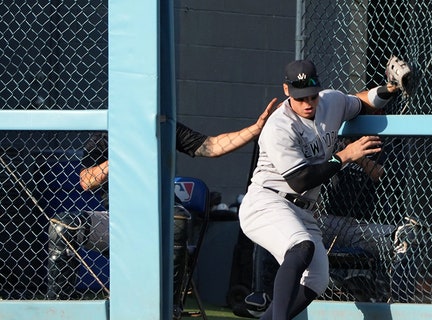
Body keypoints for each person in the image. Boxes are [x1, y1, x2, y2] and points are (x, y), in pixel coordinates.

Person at [46, 99, 278, 318]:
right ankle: (62, 308)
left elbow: (211, 146)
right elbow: (87, 180)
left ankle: (170, 308)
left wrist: (256, 128)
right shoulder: (106, 136)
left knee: (178, 219)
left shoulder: (164, 128)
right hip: (116, 220)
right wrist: (122, 152)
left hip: (157, 219)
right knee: (63, 226)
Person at [238, 59, 401, 320]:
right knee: (301, 247)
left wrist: (389, 89)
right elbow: (301, 180)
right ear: (286, 90)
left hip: (302, 209)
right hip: (268, 202)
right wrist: (345, 156)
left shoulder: (331, 101)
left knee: (317, 279)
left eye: (312, 96)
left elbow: (363, 102)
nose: (308, 103)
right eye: (300, 97)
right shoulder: (280, 125)